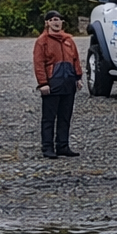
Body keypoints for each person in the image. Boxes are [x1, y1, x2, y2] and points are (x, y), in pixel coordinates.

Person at [32, 10, 81, 159]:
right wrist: (43, 83)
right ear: (47, 22)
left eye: (59, 19)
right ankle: (47, 147)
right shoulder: (42, 41)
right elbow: (39, 63)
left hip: (68, 83)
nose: (56, 22)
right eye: (53, 19)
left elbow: (75, 59)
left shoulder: (68, 40)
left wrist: (78, 77)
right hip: (52, 83)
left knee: (65, 116)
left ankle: (63, 146)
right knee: (49, 117)